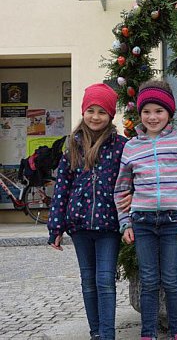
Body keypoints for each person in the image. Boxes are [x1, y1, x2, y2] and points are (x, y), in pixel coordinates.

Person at [114, 80, 177, 340]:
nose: (153, 117)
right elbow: (121, 189)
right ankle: (148, 332)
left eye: (159, 111)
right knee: (149, 281)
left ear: (169, 113)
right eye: (147, 111)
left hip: (174, 221)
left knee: (173, 280)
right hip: (142, 221)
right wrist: (125, 223)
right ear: (139, 114)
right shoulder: (131, 147)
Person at [47, 83, 128, 340]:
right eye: (90, 110)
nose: (95, 116)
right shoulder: (73, 145)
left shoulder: (120, 146)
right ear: (83, 111)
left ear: (111, 115)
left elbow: (131, 180)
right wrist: (56, 227)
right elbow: (61, 188)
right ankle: (95, 333)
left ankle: (107, 334)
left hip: (108, 227)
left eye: (101, 112)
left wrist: (132, 201)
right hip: (80, 225)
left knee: (104, 280)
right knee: (88, 282)